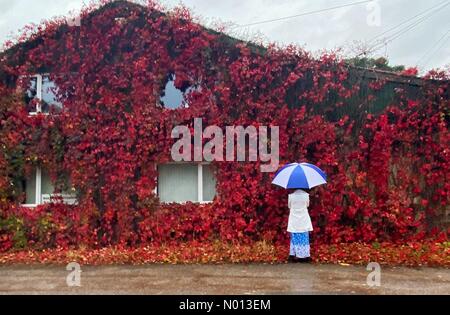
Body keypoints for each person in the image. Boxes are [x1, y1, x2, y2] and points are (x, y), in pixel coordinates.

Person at [287, 189, 313, 263]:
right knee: (304, 238)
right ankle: (305, 257)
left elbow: (289, 206)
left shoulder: (291, 196)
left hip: (294, 219)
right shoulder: (306, 196)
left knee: (294, 237)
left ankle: (293, 255)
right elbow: (307, 205)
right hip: (303, 219)